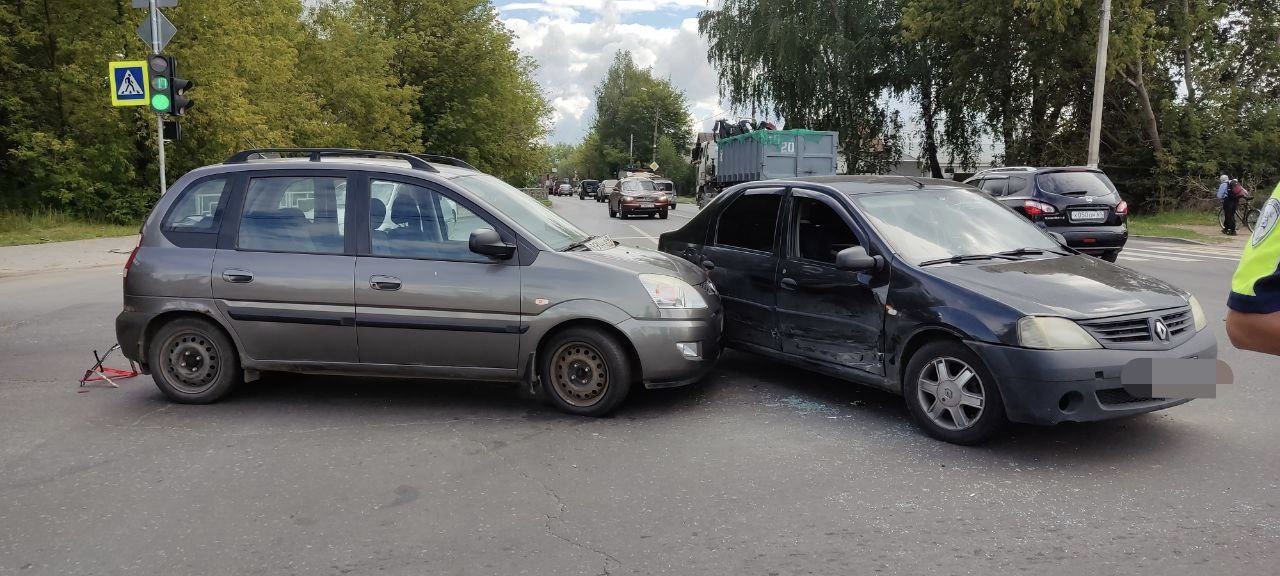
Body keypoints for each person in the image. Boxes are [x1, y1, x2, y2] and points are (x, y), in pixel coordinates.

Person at [1226, 180, 1280, 355]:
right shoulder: (1230, 185)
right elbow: (1242, 325)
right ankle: (1230, 230)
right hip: (1233, 201)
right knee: (1229, 215)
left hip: (1236, 200)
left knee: (1231, 215)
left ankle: (1230, 229)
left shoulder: (1230, 185)